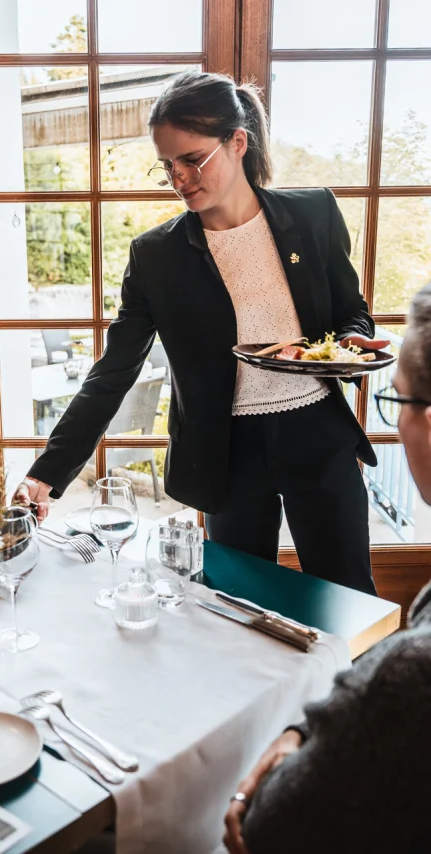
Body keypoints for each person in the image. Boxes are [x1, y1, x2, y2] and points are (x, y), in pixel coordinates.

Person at [14, 70, 386, 595]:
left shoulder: (313, 213)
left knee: (346, 596)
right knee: (237, 605)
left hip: (318, 437)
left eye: (192, 159)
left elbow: (352, 312)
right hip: (223, 456)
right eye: (167, 165)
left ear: (238, 143)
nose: (179, 178)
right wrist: (46, 474)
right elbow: (112, 375)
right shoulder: (155, 256)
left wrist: (350, 344)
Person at [223, 282, 431, 854]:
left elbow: (265, 829)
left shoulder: (408, 667)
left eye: (397, 400)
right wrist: (301, 731)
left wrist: (243, 797)